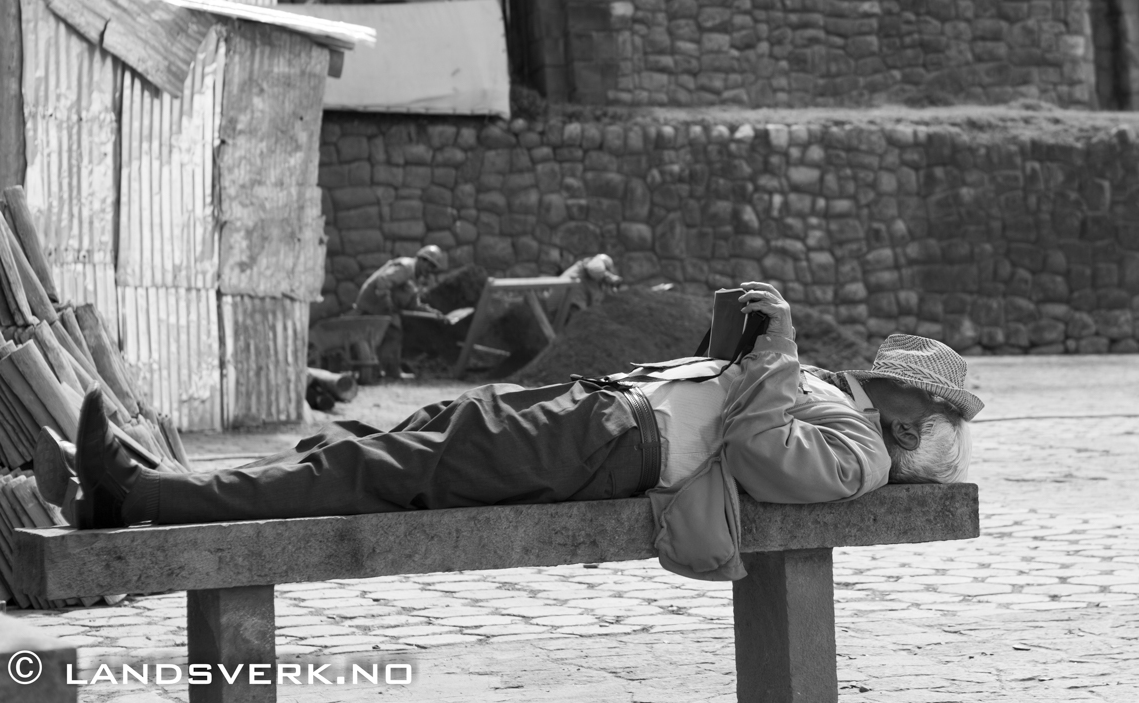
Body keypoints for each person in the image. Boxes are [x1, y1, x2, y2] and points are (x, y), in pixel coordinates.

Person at [72, 283, 983, 581]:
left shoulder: (859, 457)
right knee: (372, 450)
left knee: (376, 469)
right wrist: (733, 341)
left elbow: (759, 450)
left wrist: (775, 351)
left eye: (900, 386)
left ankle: (142, 494)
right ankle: (150, 484)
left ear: (915, 419)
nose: (877, 376)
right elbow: (734, 395)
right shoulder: (840, 404)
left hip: (605, 445)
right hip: (593, 417)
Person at [353, 245, 448, 378]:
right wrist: (388, 305)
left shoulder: (414, 278)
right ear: (421, 260)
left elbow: (413, 304)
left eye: (433, 267)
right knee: (393, 333)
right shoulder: (406, 267)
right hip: (373, 304)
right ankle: (388, 371)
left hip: (384, 308)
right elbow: (382, 281)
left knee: (394, 333)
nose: (430, 270)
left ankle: (386, 370)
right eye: (429, 265)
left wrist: (433, 313)